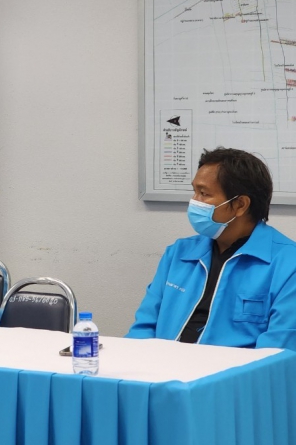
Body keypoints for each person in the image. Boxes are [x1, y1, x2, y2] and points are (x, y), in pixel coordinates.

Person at [127, 147, 296, 350]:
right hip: (161, 366)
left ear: (240, 205)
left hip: (234, 370)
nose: (194, 202)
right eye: (194, 191)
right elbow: (143, 328)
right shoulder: (178, 253)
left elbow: (277, 352)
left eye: (204, 193)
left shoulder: (288, 265)